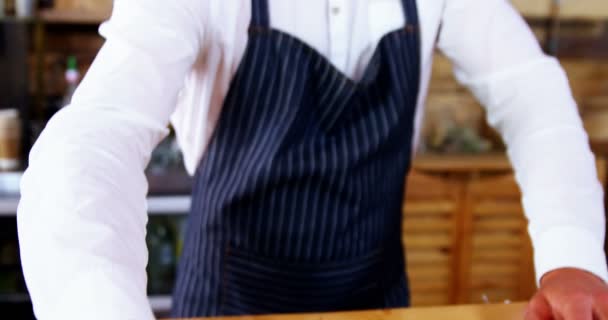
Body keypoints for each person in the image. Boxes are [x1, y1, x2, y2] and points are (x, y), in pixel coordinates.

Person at [17, 0, 608, 319]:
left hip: (373, 298)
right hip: (229, 303)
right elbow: (94, 138)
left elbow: (532, 95)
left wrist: (572, 257)